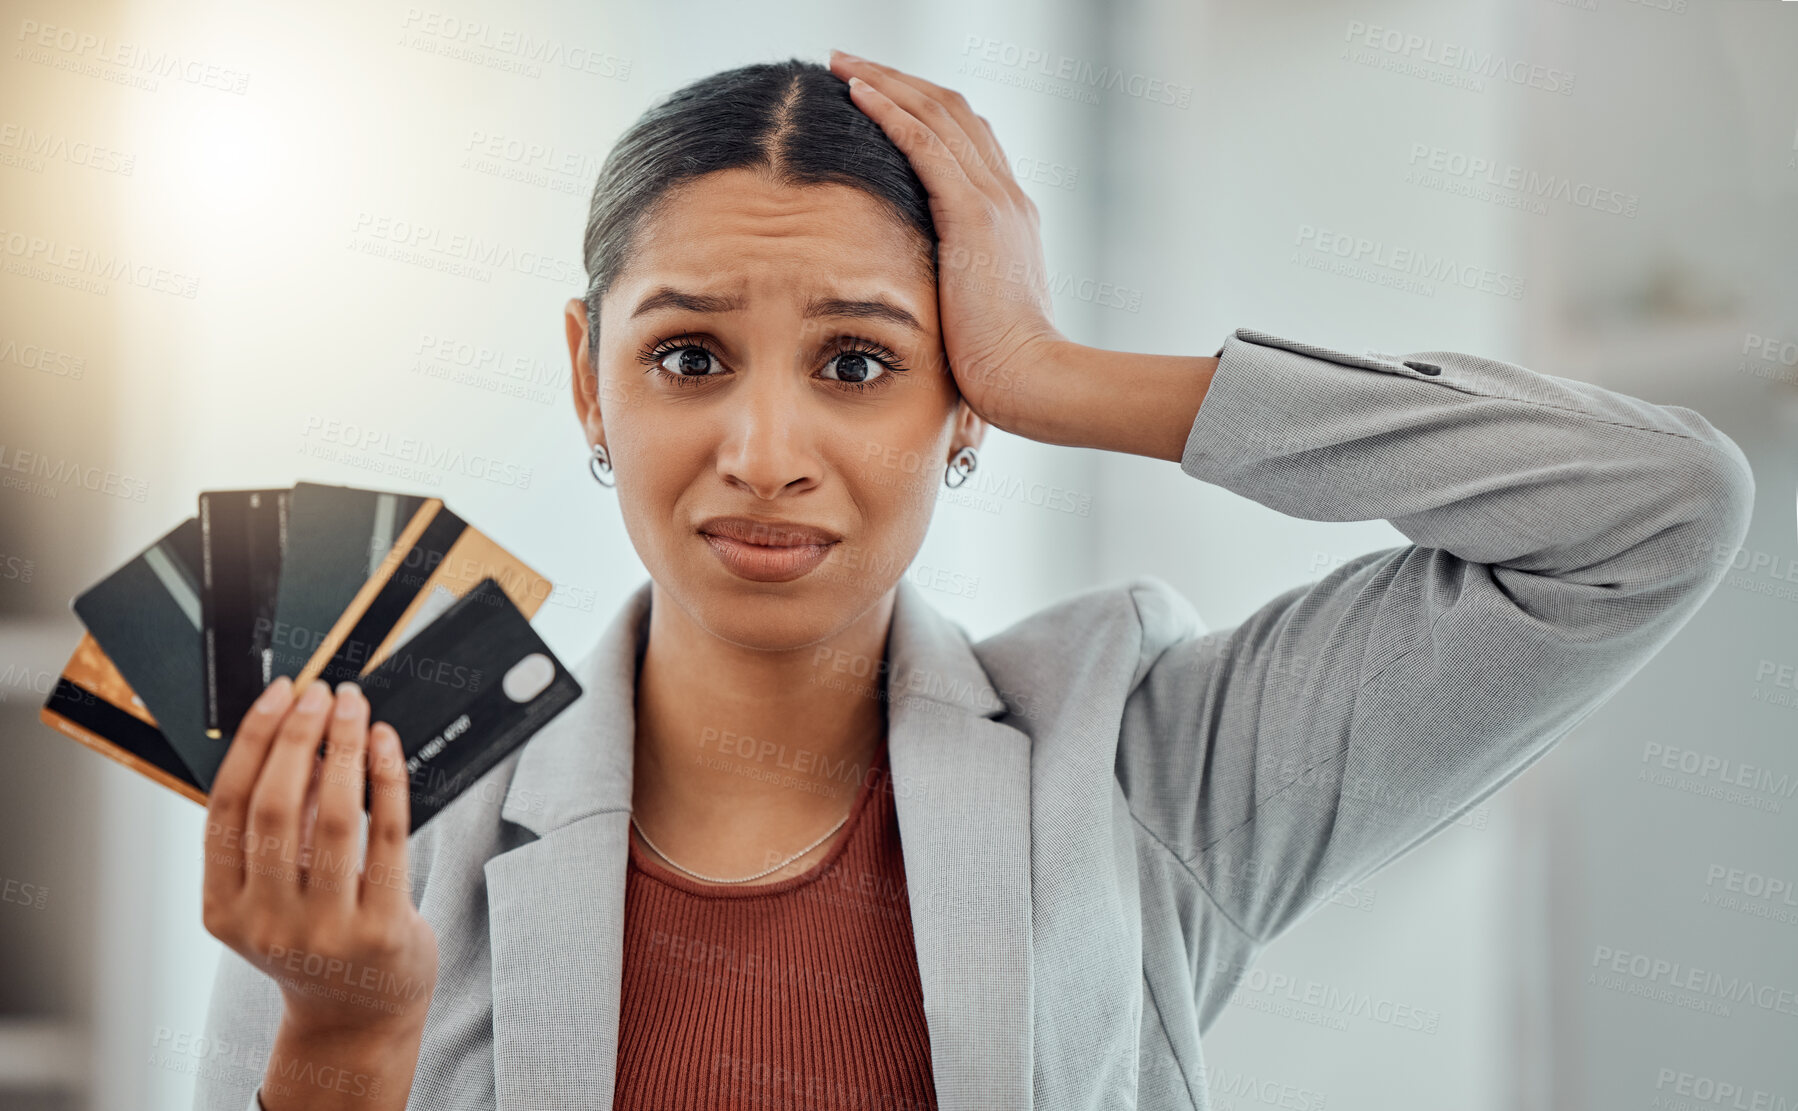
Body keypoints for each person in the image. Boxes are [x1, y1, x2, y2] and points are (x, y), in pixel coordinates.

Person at [193, 52, 1755, 1111]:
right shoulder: (378, 800)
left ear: (960, 412)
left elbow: (1650, 510)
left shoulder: (1142, 762)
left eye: (860, 362)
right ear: (589, 383)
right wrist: (340, 1038)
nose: (761, 448)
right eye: (685, 354)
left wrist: (1062, 375)